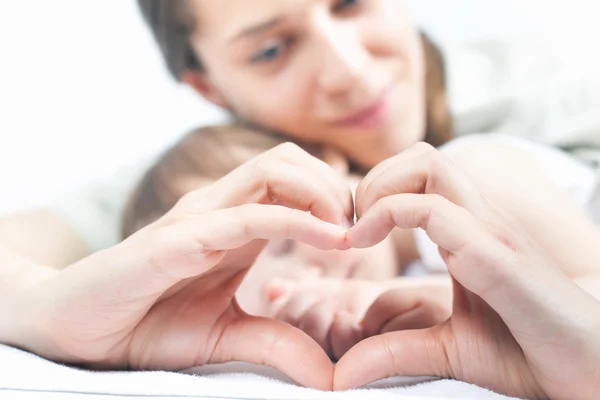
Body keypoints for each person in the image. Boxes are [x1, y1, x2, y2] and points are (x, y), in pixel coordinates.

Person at [0, 0, 599, 397]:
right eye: (271, 50)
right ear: (209, 87)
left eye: (348, 0)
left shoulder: (551, 94)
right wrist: (47, 311)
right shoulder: (199, 183)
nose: (353, 71)